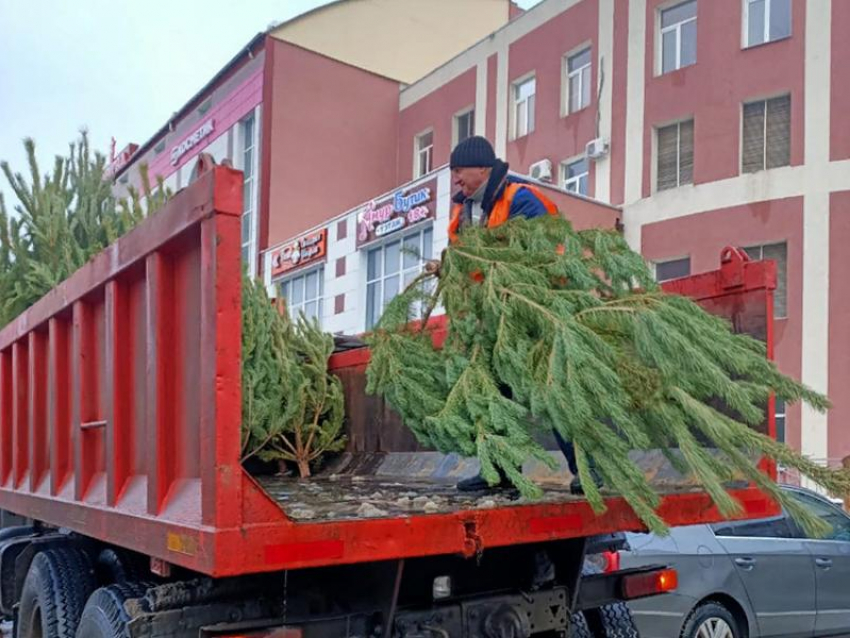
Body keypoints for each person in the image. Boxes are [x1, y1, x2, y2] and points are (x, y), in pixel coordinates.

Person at [442, 136, 600, 495]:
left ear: (482, 168)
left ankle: (588, 471)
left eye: (459, 170)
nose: (455, 179)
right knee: (494, 393)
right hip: (492, 319)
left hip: (533, 312)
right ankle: (500, 472)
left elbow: (537, 254)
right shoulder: (462, 210)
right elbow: (463, 259)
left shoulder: (521, 198)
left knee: (550, 390)